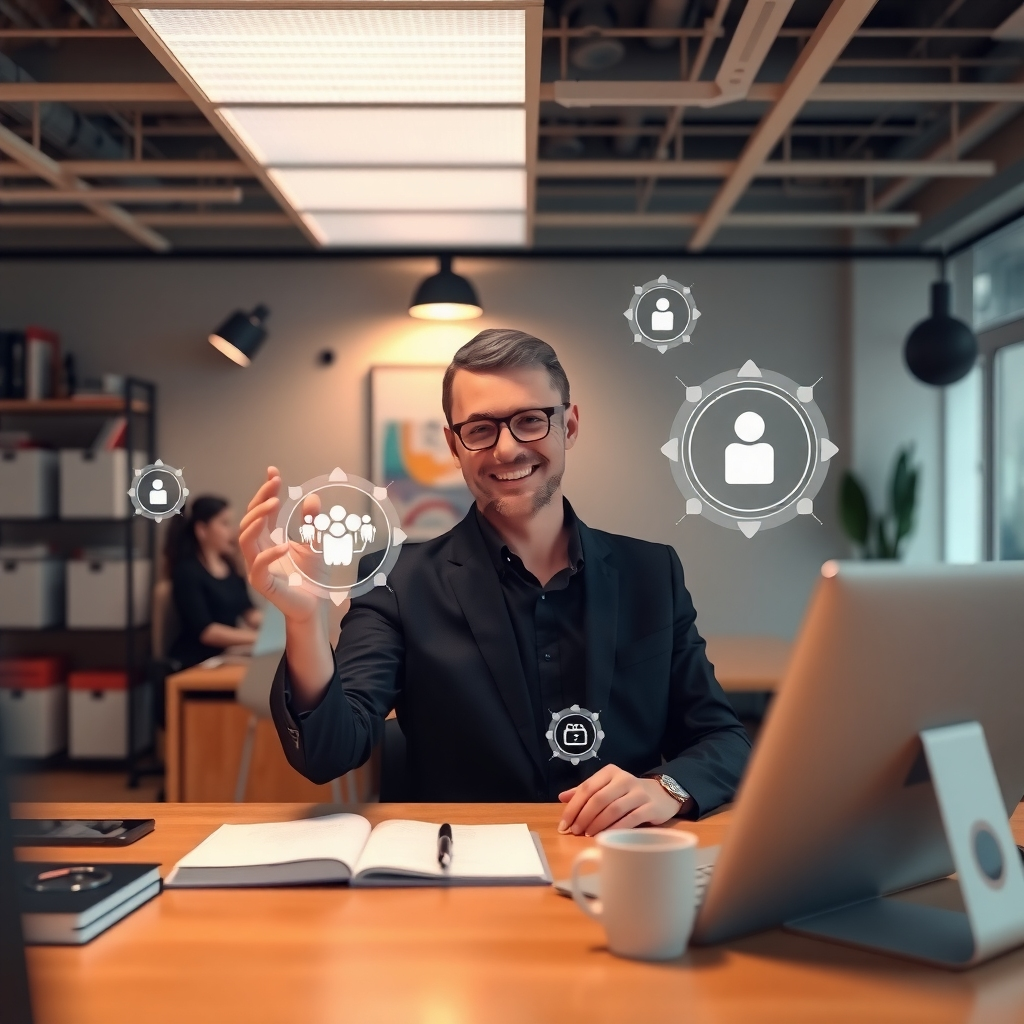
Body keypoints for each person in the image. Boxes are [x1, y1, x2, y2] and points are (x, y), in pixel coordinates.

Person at [241, 329, 750, 836]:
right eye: (481, 429)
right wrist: (305, 623)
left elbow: (723, 739)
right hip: (462, 878)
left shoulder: (651, 573)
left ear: (568, 425)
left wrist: (667, 788)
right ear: (453, 445)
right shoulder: (397, 579)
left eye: (530, 420)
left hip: (617, 869)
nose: (507, 450)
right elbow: (330, 752)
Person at [168, 496, 263, 669]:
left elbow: (249, 612)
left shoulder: (230, 567)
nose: (232, 531)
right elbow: (207, 632)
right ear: (202, 530)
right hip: (195, 663)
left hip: (225, 658)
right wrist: (260, 638)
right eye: (224, 523)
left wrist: (283, 627)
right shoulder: (187, 572)